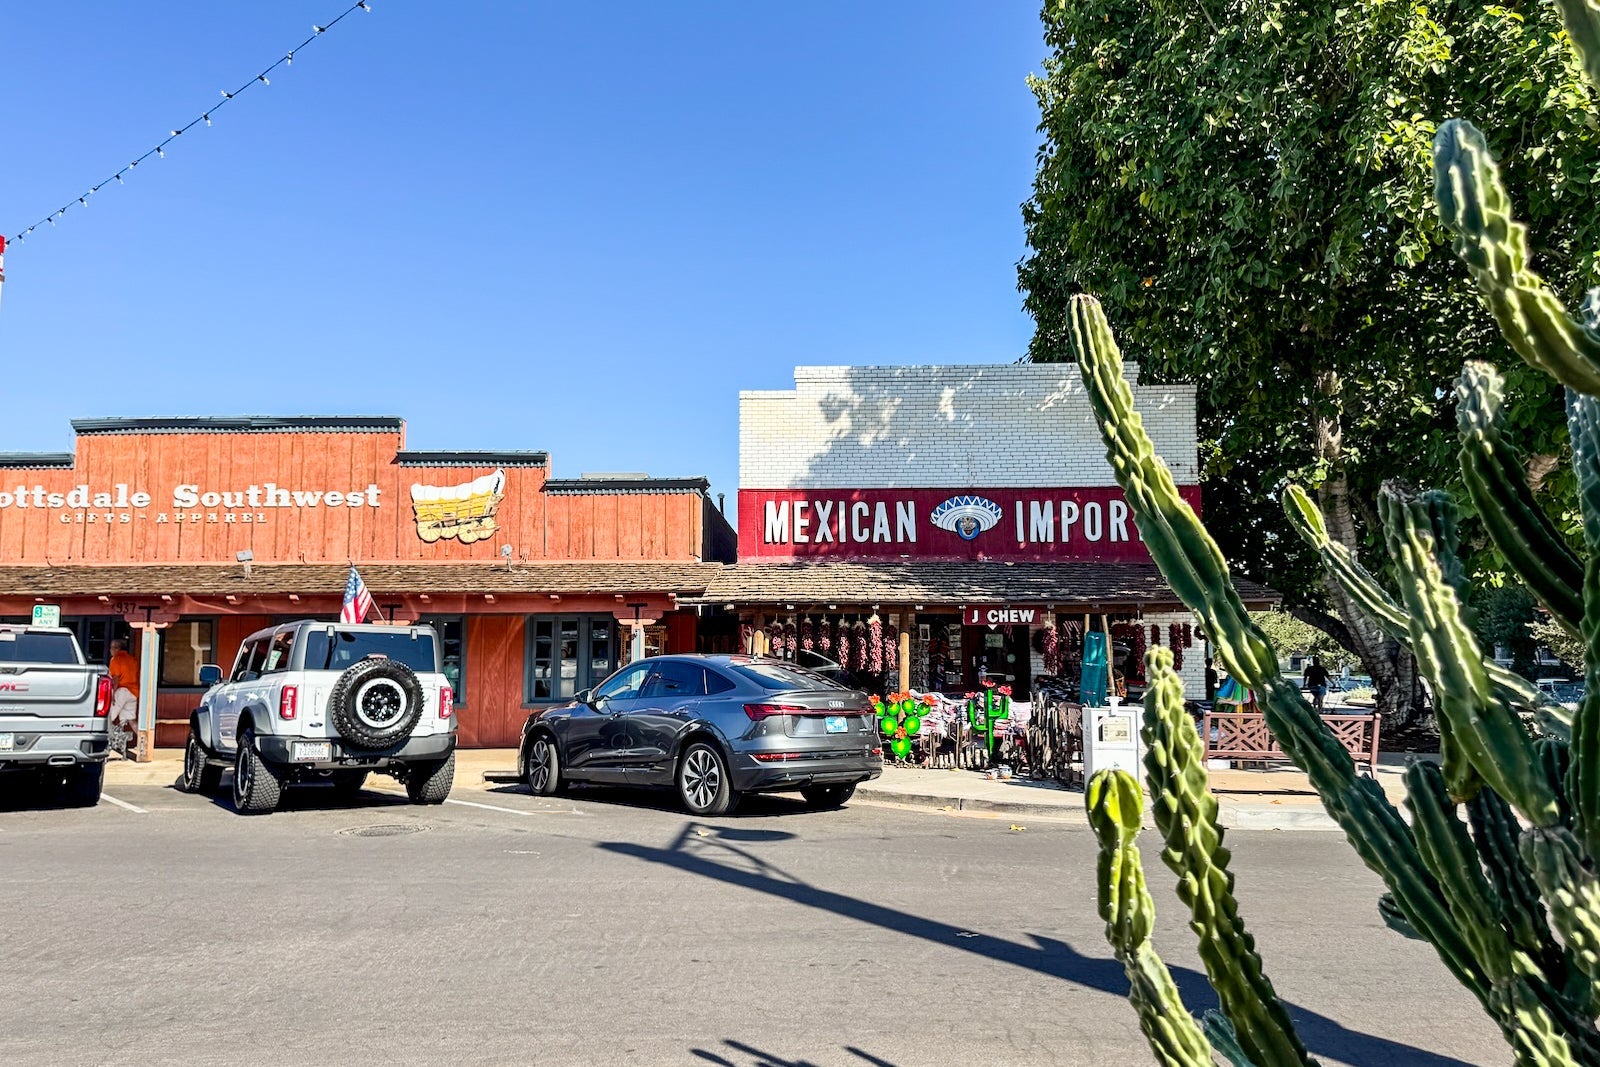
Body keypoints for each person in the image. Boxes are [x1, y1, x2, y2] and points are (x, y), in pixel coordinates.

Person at [108, 638, 140, 752]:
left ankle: (106, 743)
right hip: (133, 692)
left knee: (109, 717)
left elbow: (115, 679)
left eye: (112, 647)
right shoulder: (133, 660)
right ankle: (142, 744)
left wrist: (112, 695)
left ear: (117, 648)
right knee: (131, 720)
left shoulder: (116, 660)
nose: (110, 650)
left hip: (122, 691)